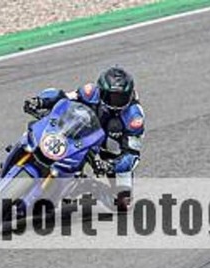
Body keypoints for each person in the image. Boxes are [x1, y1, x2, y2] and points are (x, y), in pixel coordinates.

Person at [22, 66, 145, 210]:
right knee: (41, 126)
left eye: (120, 97)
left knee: (122, 204)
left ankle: (85, 185)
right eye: (111, 96)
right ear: (101, 91)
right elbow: (63, 97)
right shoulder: (90, 91)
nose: (115, 102)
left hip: (111, 151)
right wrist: (40, 101)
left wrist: (110, 165)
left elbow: (132, 155)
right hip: (81, 132)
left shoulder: (134, 117)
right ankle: (23, 149)